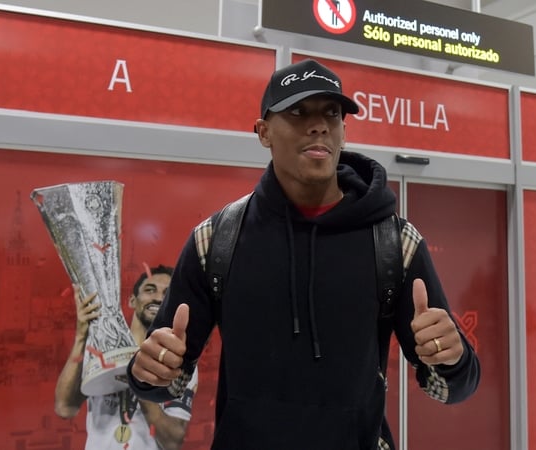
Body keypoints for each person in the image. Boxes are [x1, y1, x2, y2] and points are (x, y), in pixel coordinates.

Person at [126, 58, 480, 449]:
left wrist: (453, 359)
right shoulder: (217, 239)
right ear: (263, 132)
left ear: (344, 132)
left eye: (332, 113)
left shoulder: (394, 242)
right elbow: (161, 381)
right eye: (297, 112)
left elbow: (453, 387)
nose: (319, 125)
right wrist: (149, 372)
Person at [55, 265, 197, 450]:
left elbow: (173, 441)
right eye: (150, 290)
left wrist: (140, 382)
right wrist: (82, 336)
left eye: (167, 294)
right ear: (132, 300)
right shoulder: (103, 348)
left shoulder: (177, 361)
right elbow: (64, 408)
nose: (158, 298)